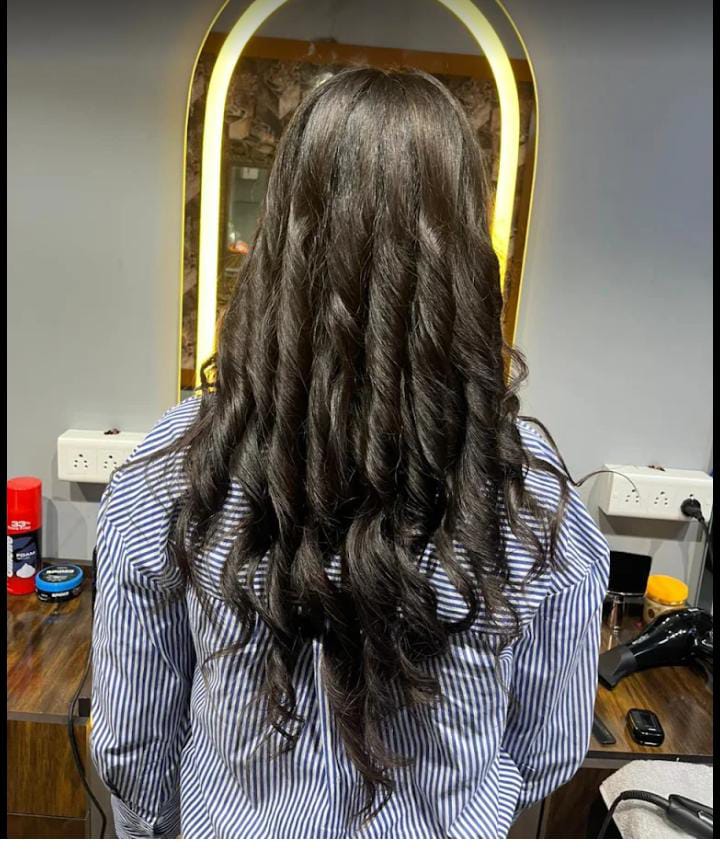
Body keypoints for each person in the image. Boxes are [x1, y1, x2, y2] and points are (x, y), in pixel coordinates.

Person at [90, 67, 609, 839]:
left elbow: (132, 744)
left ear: (279, 242)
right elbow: (547, 748)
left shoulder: (176, 463)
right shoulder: (529, 490)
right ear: (467, 252)